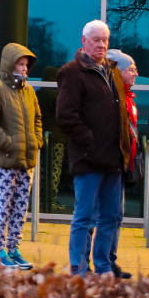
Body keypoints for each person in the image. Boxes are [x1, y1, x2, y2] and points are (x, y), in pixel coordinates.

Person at [56, 20, 131, 277]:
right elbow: (66, 115)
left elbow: (121, 114)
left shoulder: (112, 70)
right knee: (84, 217)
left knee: (110, 217)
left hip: (113, 159)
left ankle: (103, 266)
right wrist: (88, 140)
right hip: (88, 159)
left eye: (105, 40)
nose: (101, 45)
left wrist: (124, 149)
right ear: (84, 41)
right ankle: (78, 268)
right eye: (96, 40)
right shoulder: (71, 72)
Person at [0, 41, 44, 270]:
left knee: (20, 208)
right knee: (3, 206)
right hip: (3, 161)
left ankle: (13, 249)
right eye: (20, 64)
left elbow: (38, 119)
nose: (25, 68)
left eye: (26, 65)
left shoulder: (29, 91)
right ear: (10, 65)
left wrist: (36, 142)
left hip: (26, 161)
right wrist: (9, 145)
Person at [103, 49, 140, 280]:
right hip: (111, 165)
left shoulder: (129, 98)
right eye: (131, 69)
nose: (136, 73)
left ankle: (110, 259)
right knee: (103, 215)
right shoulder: (112, 98)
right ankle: (97, 262)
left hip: (124, 165)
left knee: (117, 215)